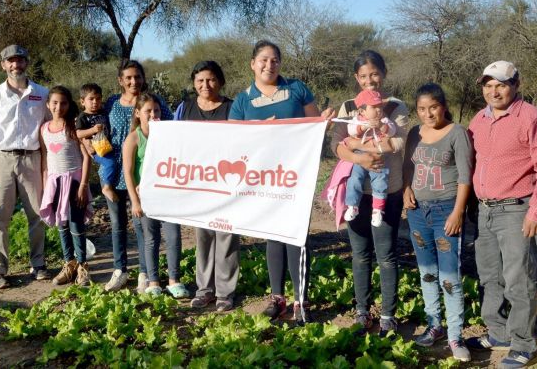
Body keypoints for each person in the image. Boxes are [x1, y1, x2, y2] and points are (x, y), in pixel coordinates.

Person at [229, 40, 335, 325]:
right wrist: (260, 131)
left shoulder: (297, 89)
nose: (269, 65)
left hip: (296, 174)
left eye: (275, 60)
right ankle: (277, 298)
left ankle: (301, 300)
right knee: (273, 235)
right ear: (252, 63)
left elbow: (316, 127)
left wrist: (325, 121)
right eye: (263, 59)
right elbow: (231, 139)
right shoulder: (242, 101)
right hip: (263, 178)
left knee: (297, 236)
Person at [465, 61, 537, 369]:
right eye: (488, 85)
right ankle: (498, 332)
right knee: (490, 276)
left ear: (515, 85)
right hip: (485, 209)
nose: (493, 91)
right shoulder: (479, 120)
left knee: (518, 279)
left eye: (501, 85)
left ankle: (524, 344)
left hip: (516, 209)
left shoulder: (533, 119)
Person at [330, 50, 409, 336]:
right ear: (356, 78)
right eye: (363, 76)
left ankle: (388, 314)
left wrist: (370, 148)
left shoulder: (396, 106)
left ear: (383, 73)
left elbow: (399, 141)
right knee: (360, 253)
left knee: (386, 254)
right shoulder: (348, 106)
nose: (369, 80)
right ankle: (362, 311)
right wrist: (360, 159)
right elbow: (337, 144)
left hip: (388, 190)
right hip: (356, 192)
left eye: (374, 74)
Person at [402, 83, 473, 362]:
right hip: (418, 211)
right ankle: (435, 326)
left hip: (446, 211)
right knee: (427, 272)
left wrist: (458, 212)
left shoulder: (457, 133)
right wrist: (407, 187)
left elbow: (466, 177)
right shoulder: (414, 133)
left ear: (443, 105)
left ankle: (456, 335)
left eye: (433, 107)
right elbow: (408, 165)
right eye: (421, 109)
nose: (428, 113)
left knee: (449, 276)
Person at [0, 45, 50, 289]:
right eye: (10, 61)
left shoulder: (41, 93)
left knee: (38, 214)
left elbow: (50, 129)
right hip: (2, 160)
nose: (15, 65)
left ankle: (38, 264)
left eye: (19, 60)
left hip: (33, 159)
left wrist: (48, 166)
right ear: (3, 65)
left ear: (26, 63)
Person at [104, 60, 173, 292]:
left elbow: (171, 127)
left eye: (138, 77)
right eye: (129, 77)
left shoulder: (155, 102)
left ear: (143, 78)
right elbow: (99, 127)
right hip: (117, 171)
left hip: (143, 175)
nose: (134, 81)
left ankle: (145, 272)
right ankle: (120, 270)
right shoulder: (112, 103)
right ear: (120, 80)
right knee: (117, 225)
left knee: (142, 226)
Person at [174, 61, 239, 311]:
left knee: (226, 235)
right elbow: (176, 141)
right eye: (200, 81)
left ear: (220, 81)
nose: (205, 85)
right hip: (198, 182)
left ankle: (225, 292)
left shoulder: (232, 108)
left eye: (211, 80)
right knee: (203, 237)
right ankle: (204, 289)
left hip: (228, 182)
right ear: (194, 83)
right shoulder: (185, 108)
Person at [123, 92, 188, 298]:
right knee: (151, 239)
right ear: (137, 114)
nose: (153, 114)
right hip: (145, 200)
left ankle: (174, 280)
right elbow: (128, 172)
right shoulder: (133, 138)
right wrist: (134, 201)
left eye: (157, 110)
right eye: (148, 111)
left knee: (173, 237)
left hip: (169, 198)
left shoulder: (168, 136)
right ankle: (153, 281)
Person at [38, 86, 93, 286]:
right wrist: (46, 184)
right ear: (48, 104)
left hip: (74, 183)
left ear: (69, 105)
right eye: (54, 102)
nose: (58, 107)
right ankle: (68, 264)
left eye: (63, 103)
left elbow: (86, 157)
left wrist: (83, 186)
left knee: (76, 225)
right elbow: (45, 157)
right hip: (54, 183)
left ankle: (82, 266)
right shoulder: (44, 129)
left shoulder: (73, 127)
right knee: (61, 225)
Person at [343, 90, 397, 226]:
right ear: (362, 111)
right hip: (359, 156)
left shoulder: (384, 119)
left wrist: (382, 126)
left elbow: (392, 131)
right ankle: (352, 205)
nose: (379, 110)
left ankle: (378, 210)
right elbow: (350, 130)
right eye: (374, 107)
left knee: (380, 181)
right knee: (354, 179)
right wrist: (362, 127)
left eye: (380, 106)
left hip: (379, 157)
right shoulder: (357, 120)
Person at [76, 83, 118, 202]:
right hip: (96, 148)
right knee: (110, 163)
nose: (95, 102)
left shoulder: (103, 112)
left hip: (107, 145)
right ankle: (106, 187)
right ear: (82, 101)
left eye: (98, 98)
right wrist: (92, 130)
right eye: (91, 99)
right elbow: (78, 133)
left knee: (113, 163)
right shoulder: (82, 117)